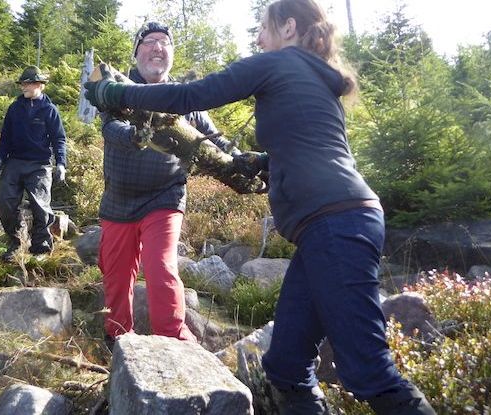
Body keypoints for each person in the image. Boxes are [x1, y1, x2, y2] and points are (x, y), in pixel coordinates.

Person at [83, 1, 436, 414]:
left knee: (367, 370)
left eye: (262, 28)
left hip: (337, 223)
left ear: (288, 27)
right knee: (286, 368)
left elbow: (190, 95)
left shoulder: (280, 63)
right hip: (328, 228)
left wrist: (117, 91)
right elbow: (312, 147)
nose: (257, 38)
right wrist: (265, 163)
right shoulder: (313, 77)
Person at [97, 22, 241, 348]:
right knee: (116, 276)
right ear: (136, 52)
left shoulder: (183, 97)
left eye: (164, 43)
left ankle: (174, 339)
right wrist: (134, 137)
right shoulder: (117, 88)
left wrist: (243, 161)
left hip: (165, 195)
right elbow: (110, 128)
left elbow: (215, 141)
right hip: (118, 199)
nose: (157, 48)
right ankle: (118, 338)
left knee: (160, 266)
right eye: (150, 42)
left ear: (171, 55)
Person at [0, 66, 67, 260]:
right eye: (22, 84)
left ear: (39, 85)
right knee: (4, 203)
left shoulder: (49, 110)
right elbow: (5, 137)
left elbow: (59, 139)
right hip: (14, 162)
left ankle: (41, 248)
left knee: (40, 206)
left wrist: (61, 164)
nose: (23, 87)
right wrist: (0, 158)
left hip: (40, 165)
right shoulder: (14, 108)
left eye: (26, 84)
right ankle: (16, 242)